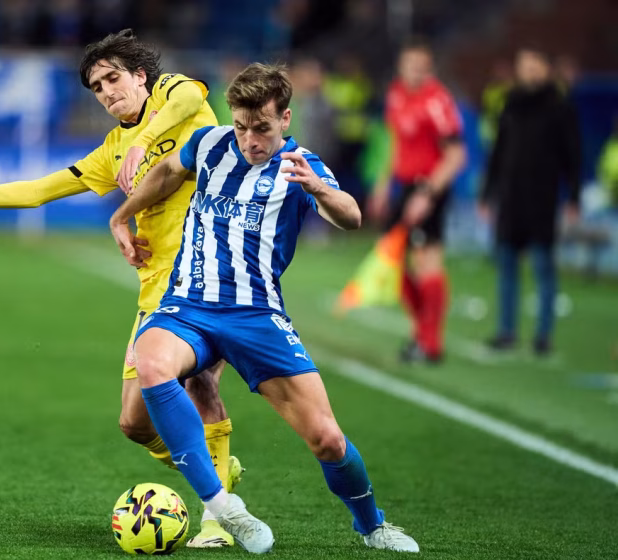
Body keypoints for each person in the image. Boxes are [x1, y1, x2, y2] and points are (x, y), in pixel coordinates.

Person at [0, 29, 242, 548]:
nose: (106, 92)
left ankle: (218, 520)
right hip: (155, 291)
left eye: (113, 78)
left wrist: (143, 141)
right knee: (135, 424)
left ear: (140, 76)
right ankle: (215, 468)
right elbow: (39, 190)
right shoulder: (110, 151)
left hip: (213, 273)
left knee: (200, 384)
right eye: (97, 87)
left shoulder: (174, 95)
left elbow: (192, 95)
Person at [109, 63, 419, 554]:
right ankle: (225, 507)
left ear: (285, 119)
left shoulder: (302, 165)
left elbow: (353, 217)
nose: (250, 140)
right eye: (241, 127)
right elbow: (168, 172)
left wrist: (319, 189)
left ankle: (372, 526)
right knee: (151, 362)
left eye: (262, 128)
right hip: (188, 306)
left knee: (327, 440)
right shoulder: (210, 144)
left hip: (256, 316)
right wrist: (122, 215)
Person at [368, 38, 467, 364]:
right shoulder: (396, 94)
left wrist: (427, 194)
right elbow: (397, 144)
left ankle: (429, 343)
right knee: (392, 260)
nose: (416, 72)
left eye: (422, 67)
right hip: (405, 187)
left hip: (429, 186)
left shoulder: (437, 100)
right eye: (411, 66)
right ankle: (423, 333)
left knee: (427, 261)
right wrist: (383, 185)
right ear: (401, 67)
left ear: (430, 69)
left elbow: (456, 155)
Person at [479, 47, 581, 356]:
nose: (530, 71)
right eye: (525, 65)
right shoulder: (511, 103)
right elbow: (498, 151)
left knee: (543, 268)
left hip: (542, 200)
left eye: (535, 65)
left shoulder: (559, 107)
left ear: (546, 68)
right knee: (507, 268)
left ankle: (543, 336)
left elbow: (573, 156)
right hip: (511, 200)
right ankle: (506, 331)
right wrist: (487, 193)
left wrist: (573, 197)